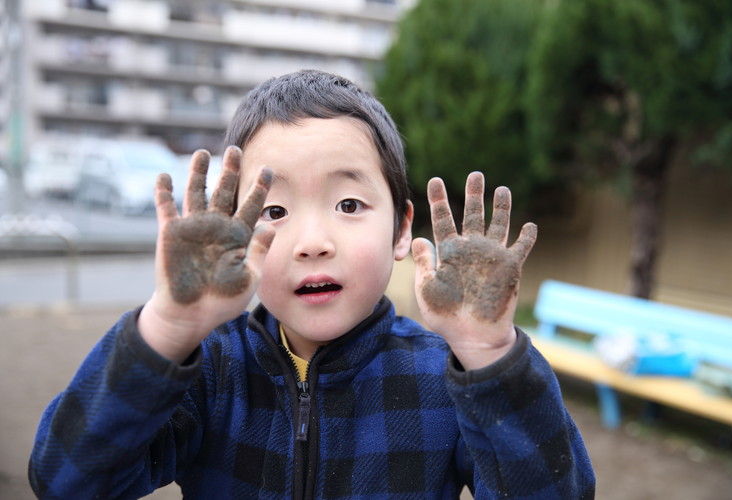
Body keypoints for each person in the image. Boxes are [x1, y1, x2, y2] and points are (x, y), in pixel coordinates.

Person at [28, 70, 595, 499]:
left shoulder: (444, 377)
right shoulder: (213, 373)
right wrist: (168, 326)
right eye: (273, 211)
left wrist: (490, 354)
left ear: (401, 228)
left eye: (349, 203)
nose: (312, 241)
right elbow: (66, 477)